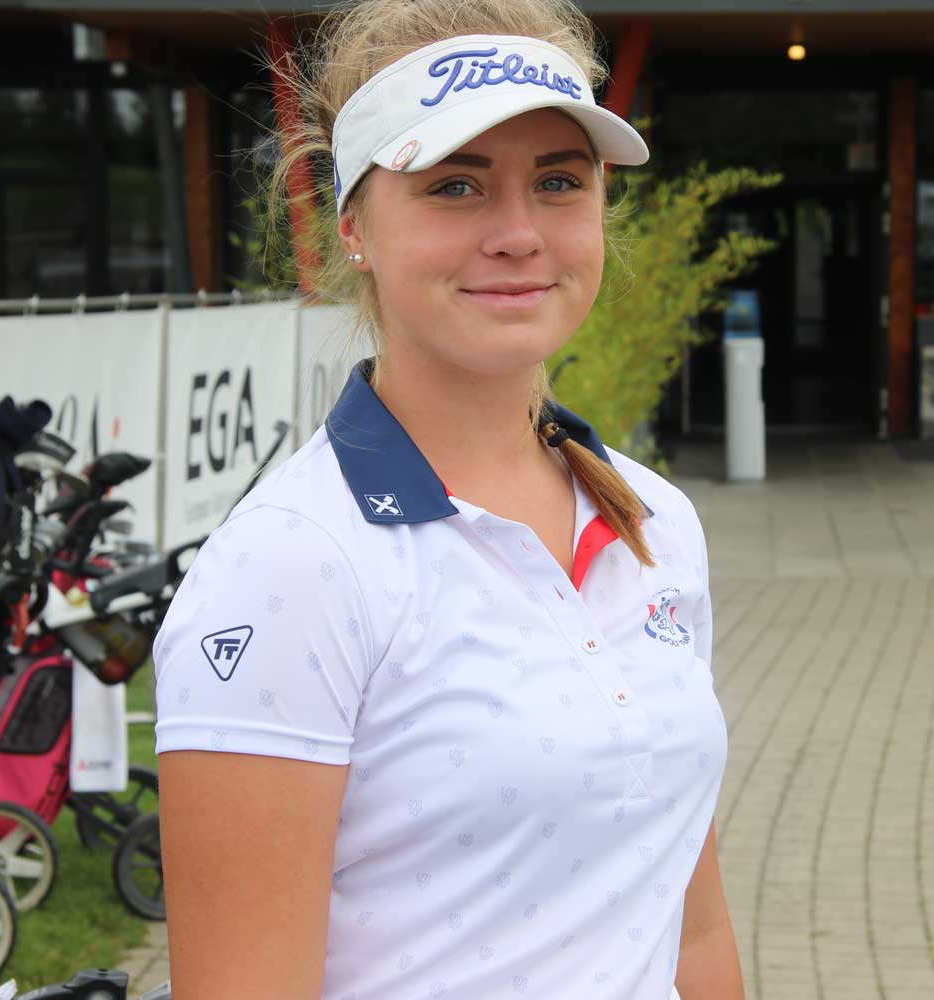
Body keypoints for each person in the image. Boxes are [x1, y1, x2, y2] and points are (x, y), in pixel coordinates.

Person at [149, 2, 742, 998]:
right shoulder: (292, 566)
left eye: (559, 181)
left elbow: (693, 937)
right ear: (354, 226)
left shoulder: (653, 523)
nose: (518, 234)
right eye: (455, 186)